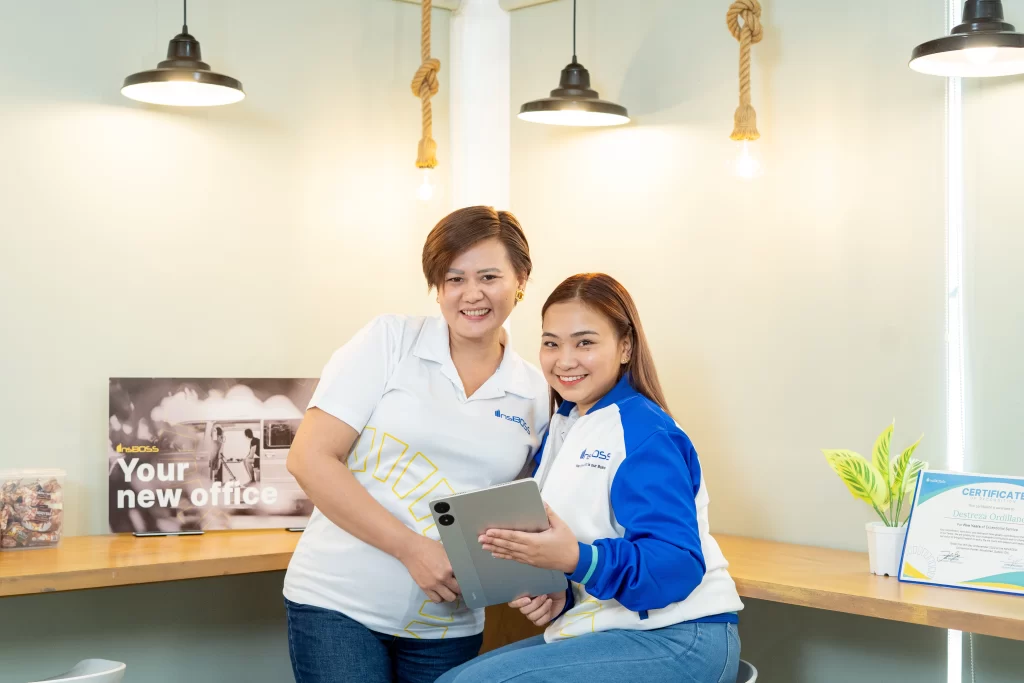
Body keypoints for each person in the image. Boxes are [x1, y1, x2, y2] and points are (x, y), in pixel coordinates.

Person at [283, 207, 550, 683]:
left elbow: (528, 511)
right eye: (454, 278)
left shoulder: (536, 391)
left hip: (450, 623)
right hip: (339, 606)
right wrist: (412, 549)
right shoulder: (390, 341)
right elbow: (309, 458)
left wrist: (538, 581)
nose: (472, 294)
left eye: (489, 276)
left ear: (521, 279)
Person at [438, 273, 744, 683]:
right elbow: (586, 550)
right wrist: (558, 594)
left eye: (584, 342)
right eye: (551, 343)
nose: (564, 360)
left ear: (625, 346)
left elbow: (676, 565)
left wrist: (576, 559)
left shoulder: (646, 434)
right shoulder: (564, 426)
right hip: (607, 630)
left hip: (678, 638)